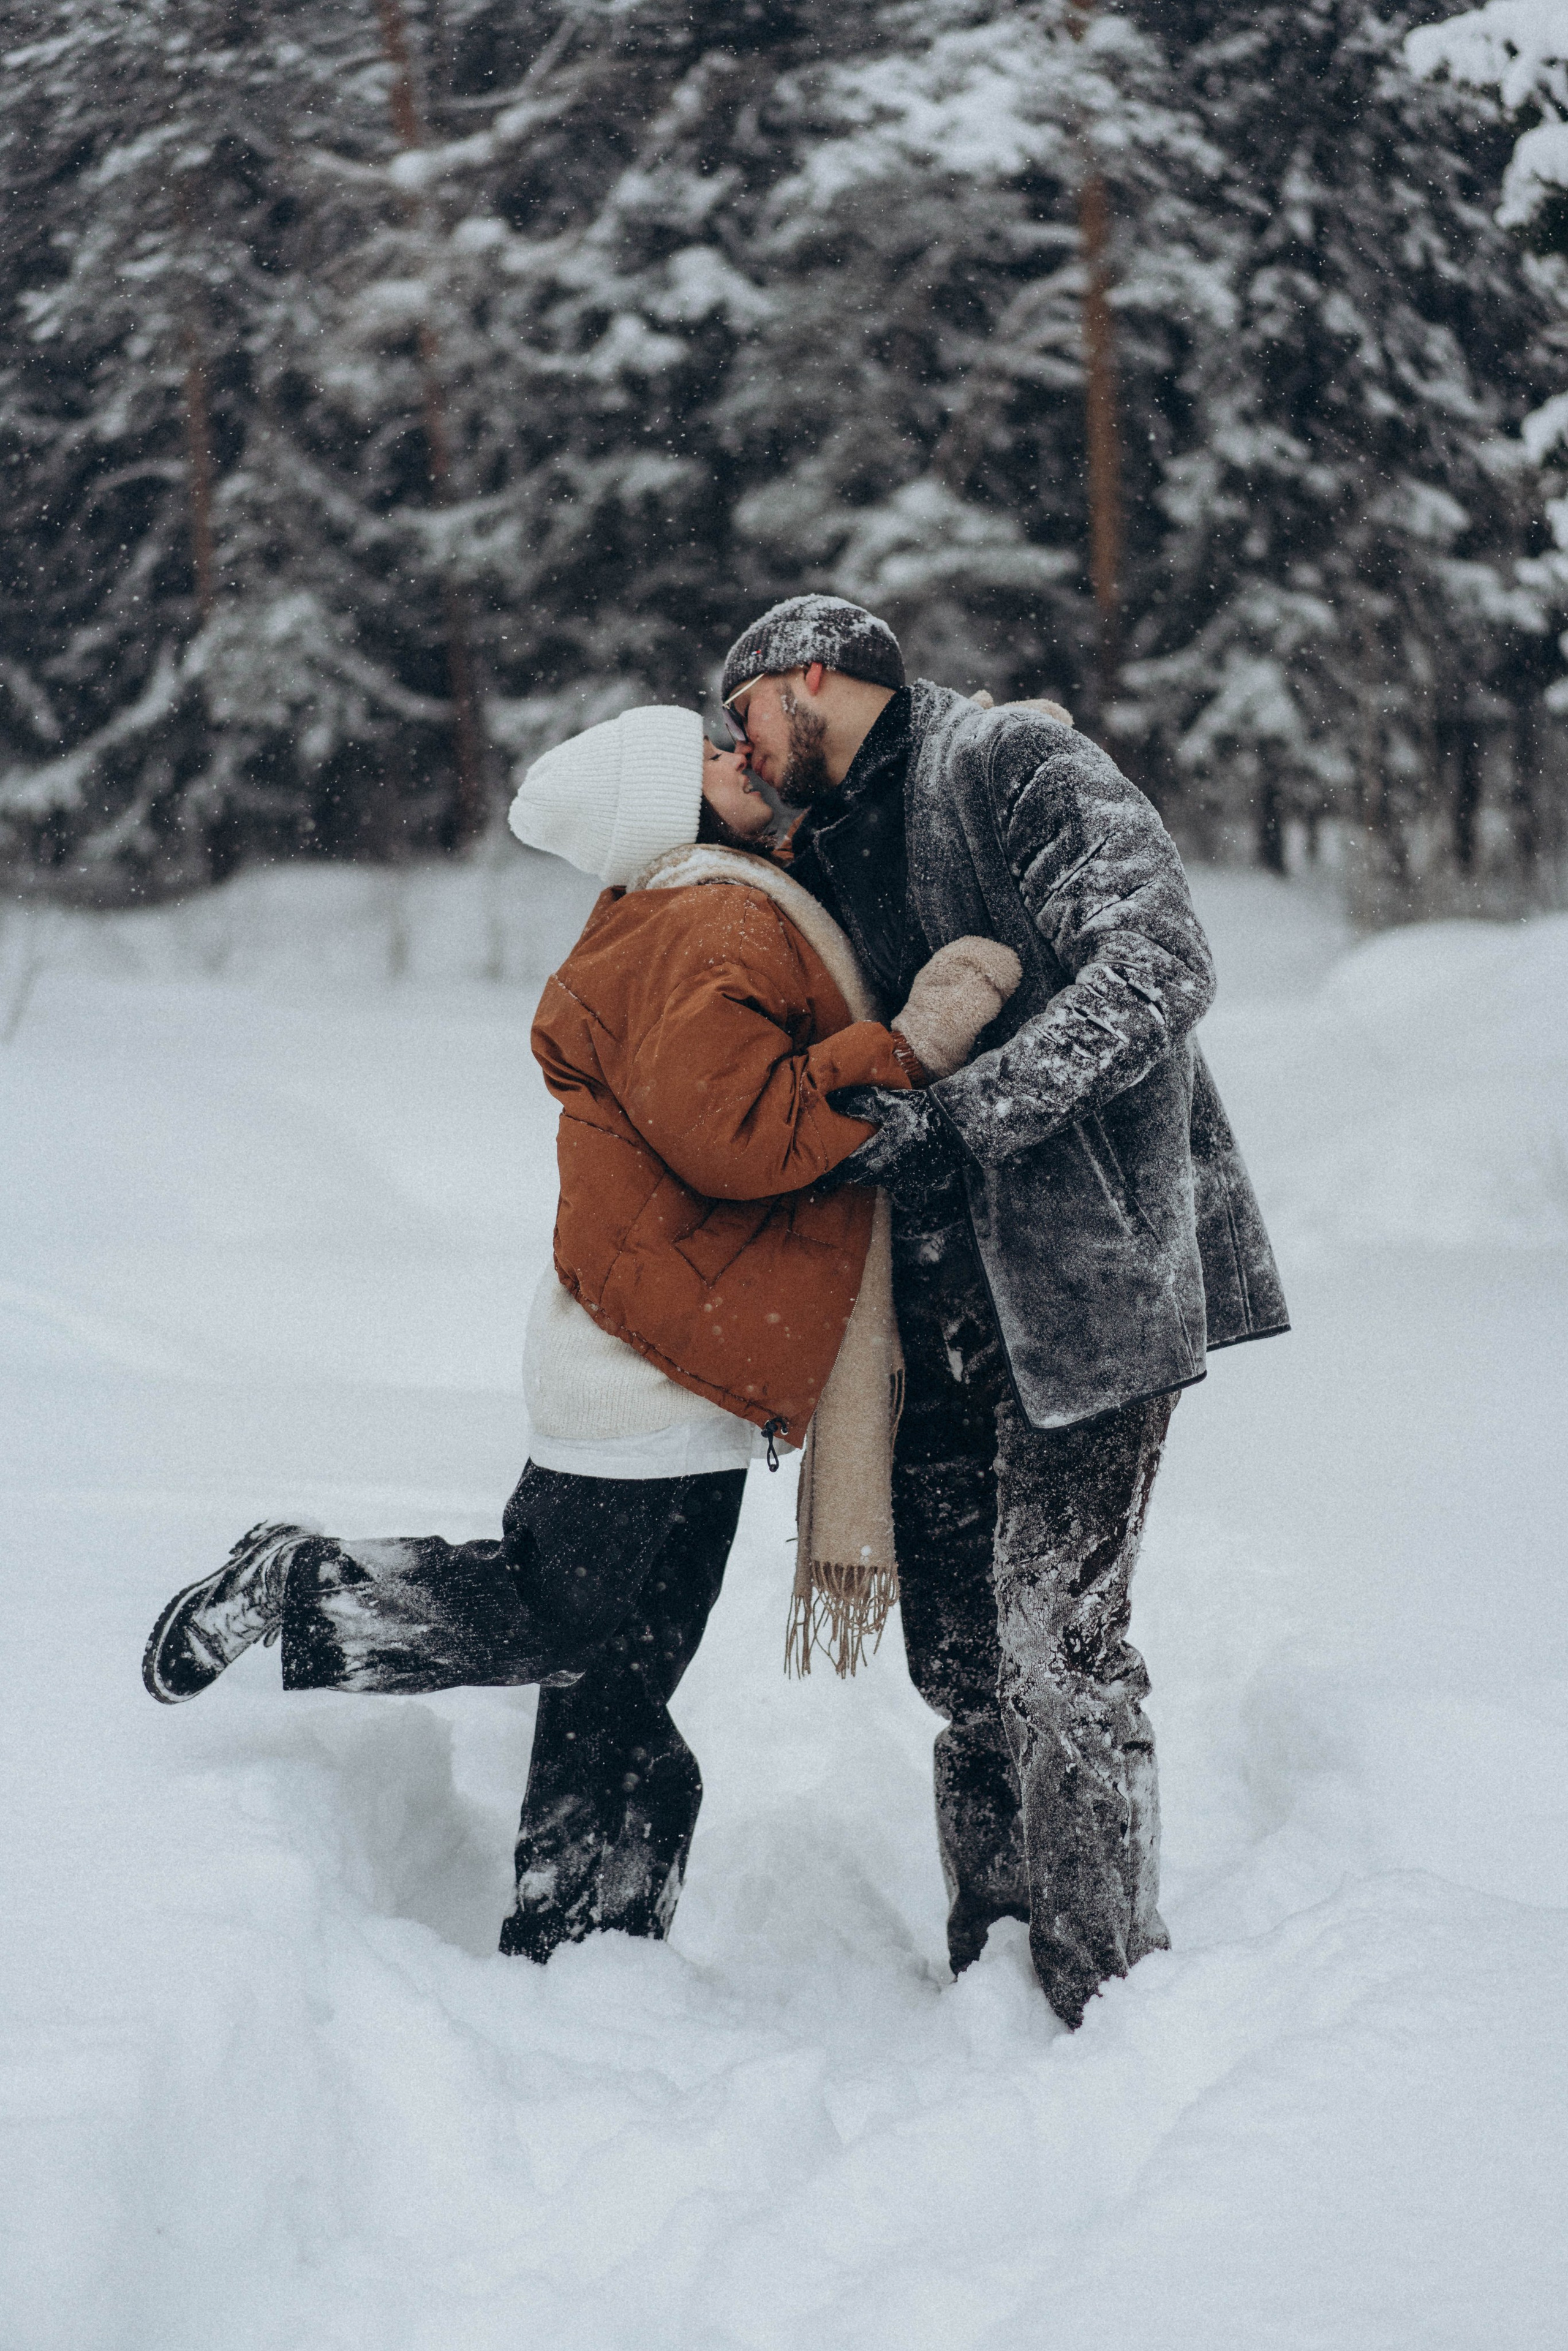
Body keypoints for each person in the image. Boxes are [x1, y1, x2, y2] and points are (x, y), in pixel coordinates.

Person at [141, 703, 1017, 1963]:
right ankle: (295, 1584)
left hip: (700, 1364)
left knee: (621, 1672)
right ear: (668, 803)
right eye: (717, 752)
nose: (746, 756)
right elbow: (739, 1131)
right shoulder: (703, 917)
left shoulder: (715, 897)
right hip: (641, 1374)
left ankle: (576, 1933)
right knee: (556, 1617)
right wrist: (910, 1045)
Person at [720, 594, 1289, 2027]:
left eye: (738, 716)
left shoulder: (1011, 765)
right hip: (922, 1314)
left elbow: (1159, 964)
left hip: (1085, 1287)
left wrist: (964, 1115)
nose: (735, 745)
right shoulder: (826, 842)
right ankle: (992, 1966)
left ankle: (1104, 1999)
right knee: (960, 1660)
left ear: (806, 678)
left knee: (1056, 1642)